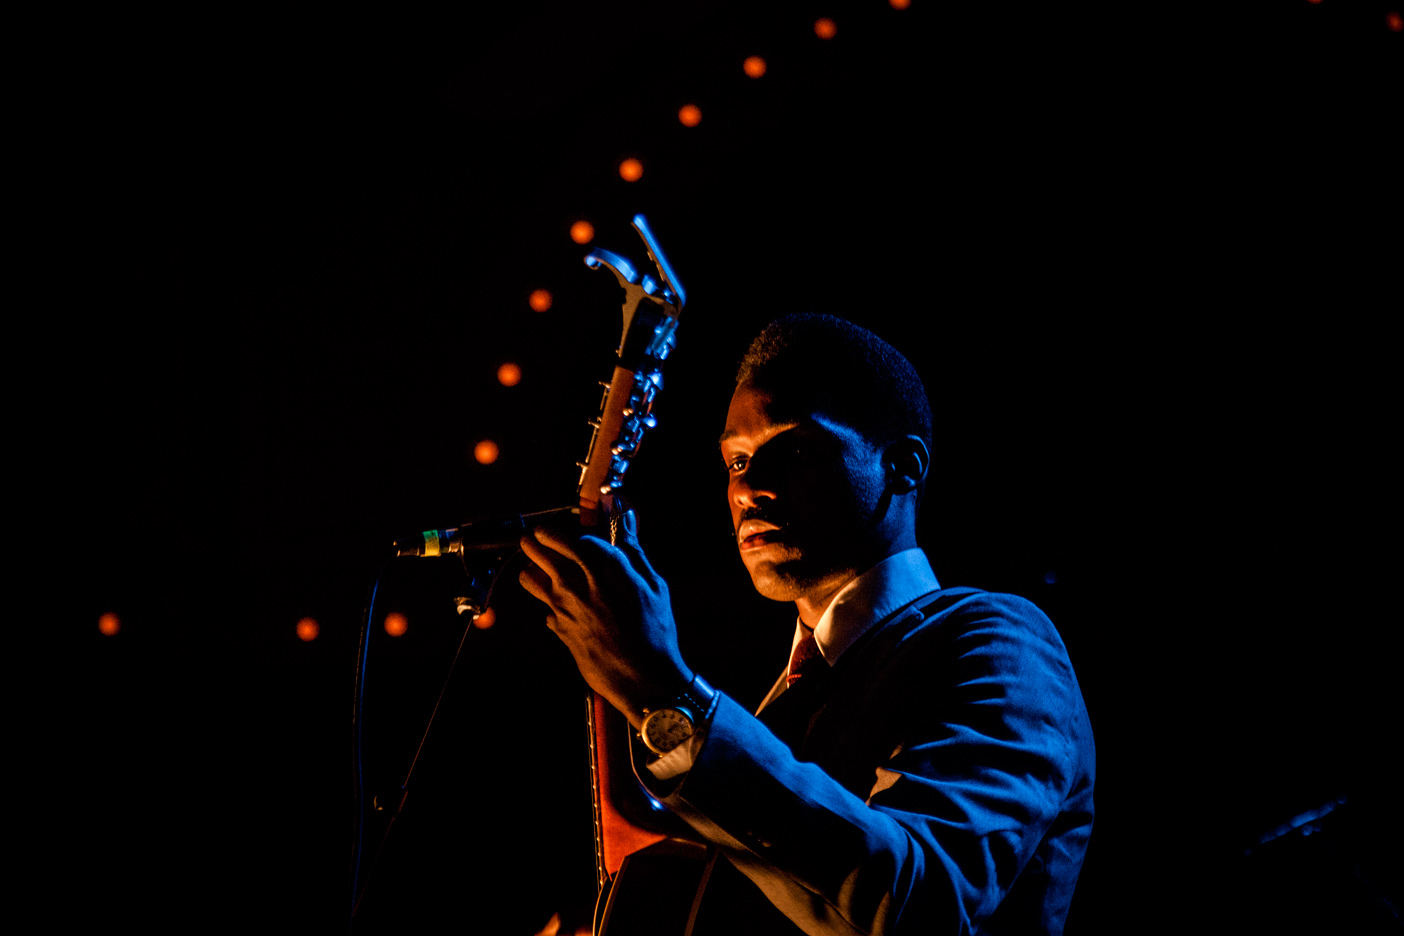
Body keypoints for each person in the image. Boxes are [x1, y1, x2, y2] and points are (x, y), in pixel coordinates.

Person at [519, 314, 1095, 935]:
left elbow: (925, 900)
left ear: (902, 467)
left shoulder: (1000, 642)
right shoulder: (786, 699)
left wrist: (669, 696)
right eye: (736, 462)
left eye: (791, 449)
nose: (750, 489)